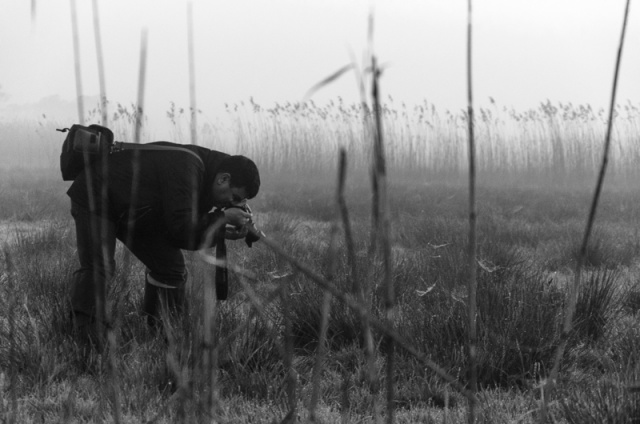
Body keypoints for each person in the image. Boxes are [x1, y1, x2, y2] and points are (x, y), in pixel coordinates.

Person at [66, 141, 260, 347]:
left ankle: (160, 334)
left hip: (136, 211)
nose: (230, 203)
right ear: (223, 179)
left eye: (239, 202)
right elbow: (181, 230)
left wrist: (222, 230)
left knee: (170, 269)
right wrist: (221, 219)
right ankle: (86, 343)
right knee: (100, 267)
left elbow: (178, 234)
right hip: (96, 195)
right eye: (235, 197)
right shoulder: (187, 168)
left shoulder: (209, 177)